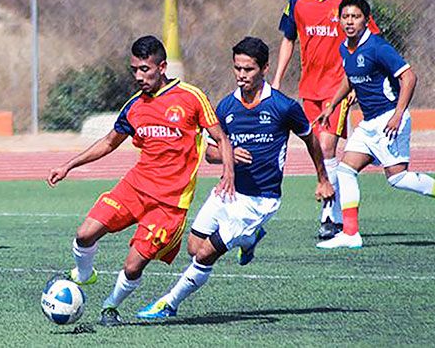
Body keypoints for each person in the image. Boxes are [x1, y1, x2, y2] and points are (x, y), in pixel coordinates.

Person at [136, 37, 334, 319]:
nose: (242, 75)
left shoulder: (283, 107)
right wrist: (230, 155)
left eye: (249, 69)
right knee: (193, 248)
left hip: (259, 200)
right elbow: (211, 153)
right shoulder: (227, 107)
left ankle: (168, 303)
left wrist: (322, 178)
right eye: (237, 69)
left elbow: (310, 139)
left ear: (265, 68)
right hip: (228, 191)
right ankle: (249, 239)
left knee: (205, 254)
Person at [47, 35, 235, 326]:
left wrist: (229, 173)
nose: (138, 76)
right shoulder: (134, 106)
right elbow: (110, 142)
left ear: (161, 67)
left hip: (170, 204)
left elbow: (220, 138)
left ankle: (110, 306)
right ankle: (84, 276)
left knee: (133, 265)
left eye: (144, 69)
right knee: (85, 234)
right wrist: (69, 165)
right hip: (134, 188)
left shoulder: (191, 97)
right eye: (134, 69)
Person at [315, 0, 434, 249]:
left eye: (355, 17)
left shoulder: (378, 47)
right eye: (345, 17)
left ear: (366, 20)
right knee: (346, 170)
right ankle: (351, 234)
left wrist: (398, 114)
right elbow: (350, 77)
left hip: (388, 119)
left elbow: (409, 78)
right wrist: (332, 105)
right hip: (368, 124)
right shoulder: (345, 47)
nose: (349, 21)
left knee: (397, 179)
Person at [274, 0, 379, 240]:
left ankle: (329, 215)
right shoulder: (297, 0)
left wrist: (358, 78)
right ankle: (341, 212)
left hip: (338, 88)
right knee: (319, 150)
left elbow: (370, 40)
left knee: (326, 145)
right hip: (309, 89)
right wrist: (277, 79)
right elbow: (288, 40)